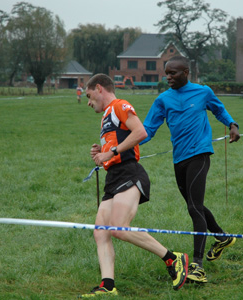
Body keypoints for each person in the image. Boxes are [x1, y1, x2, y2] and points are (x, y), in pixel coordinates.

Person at [79, 73, 188, 298]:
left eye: (89, 96)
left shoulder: (120, 105)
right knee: (101, 233)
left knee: (119, 227)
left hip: (130, 172)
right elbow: (116, 145)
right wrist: (101, 153)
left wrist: (112, 151)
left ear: (99, 88)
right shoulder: (105, 117)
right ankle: (108, 286)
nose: (88, 102)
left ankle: (173, 258)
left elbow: (140, 132)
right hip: (113, 177)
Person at [140, 56, 240, 284]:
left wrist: (232, 125)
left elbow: (219, 109)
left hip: (200, 154)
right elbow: (148, 129)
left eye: (173, 73)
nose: (168, 78)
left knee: (194, 207)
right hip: (179, 159)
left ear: (186, 72)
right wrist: (126, 146)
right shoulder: (163, 100)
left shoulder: (203, 92)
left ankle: (197, 265)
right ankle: (222, 237)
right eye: (166, 74)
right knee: (194, 205)